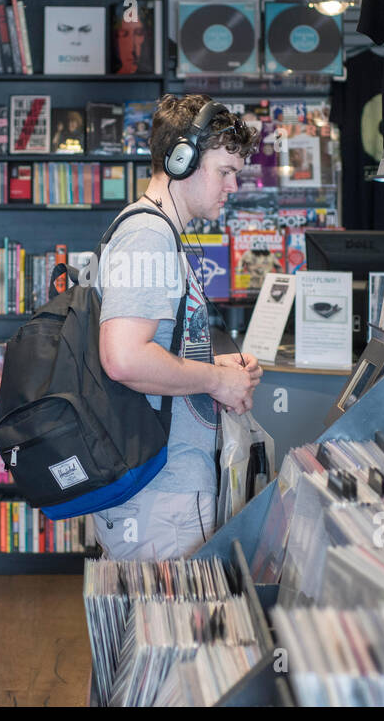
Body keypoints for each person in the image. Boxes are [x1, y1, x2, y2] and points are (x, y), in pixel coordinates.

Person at [93, 94, 262, 560]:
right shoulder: (148, 237)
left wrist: (215, 365)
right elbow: (123, 358)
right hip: (161, 498)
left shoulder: (156, 233)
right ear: (182, 160)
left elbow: (151, 350)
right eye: (224, 171)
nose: (232, 186)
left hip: (162, 493)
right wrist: (216, 380)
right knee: (172, 630)